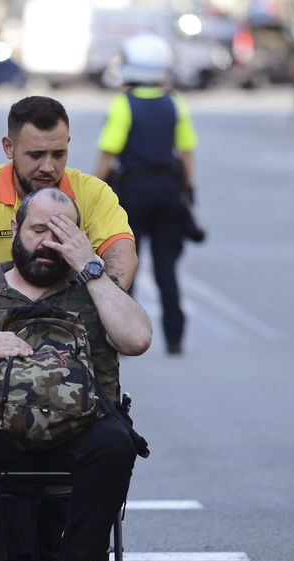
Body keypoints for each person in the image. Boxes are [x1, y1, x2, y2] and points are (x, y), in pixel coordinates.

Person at [0, 187, 152, 561]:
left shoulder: (94, 291)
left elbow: (138, 339)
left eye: (62, 233)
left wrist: (90, 267)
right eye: (39, 230)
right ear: (15, 229)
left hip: (79, 427)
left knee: (114, 443)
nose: (48, 243)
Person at [0, 96, 138, 298]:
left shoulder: (94, 193)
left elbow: (122, 253)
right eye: (36, 155)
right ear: (9, 147)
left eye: (58, 154)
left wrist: (104, 306)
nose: (48, 167)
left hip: (69, 328)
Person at [94, 33, 200, 355]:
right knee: (167, 268)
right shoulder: (174, 102)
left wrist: (94, 191)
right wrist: (188, 189)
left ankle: (125, 333)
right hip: (167, 192)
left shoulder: (124, 103)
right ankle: (175, 336)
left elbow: (108, 151)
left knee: (127, 263)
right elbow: (186, 151)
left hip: (132, 194)